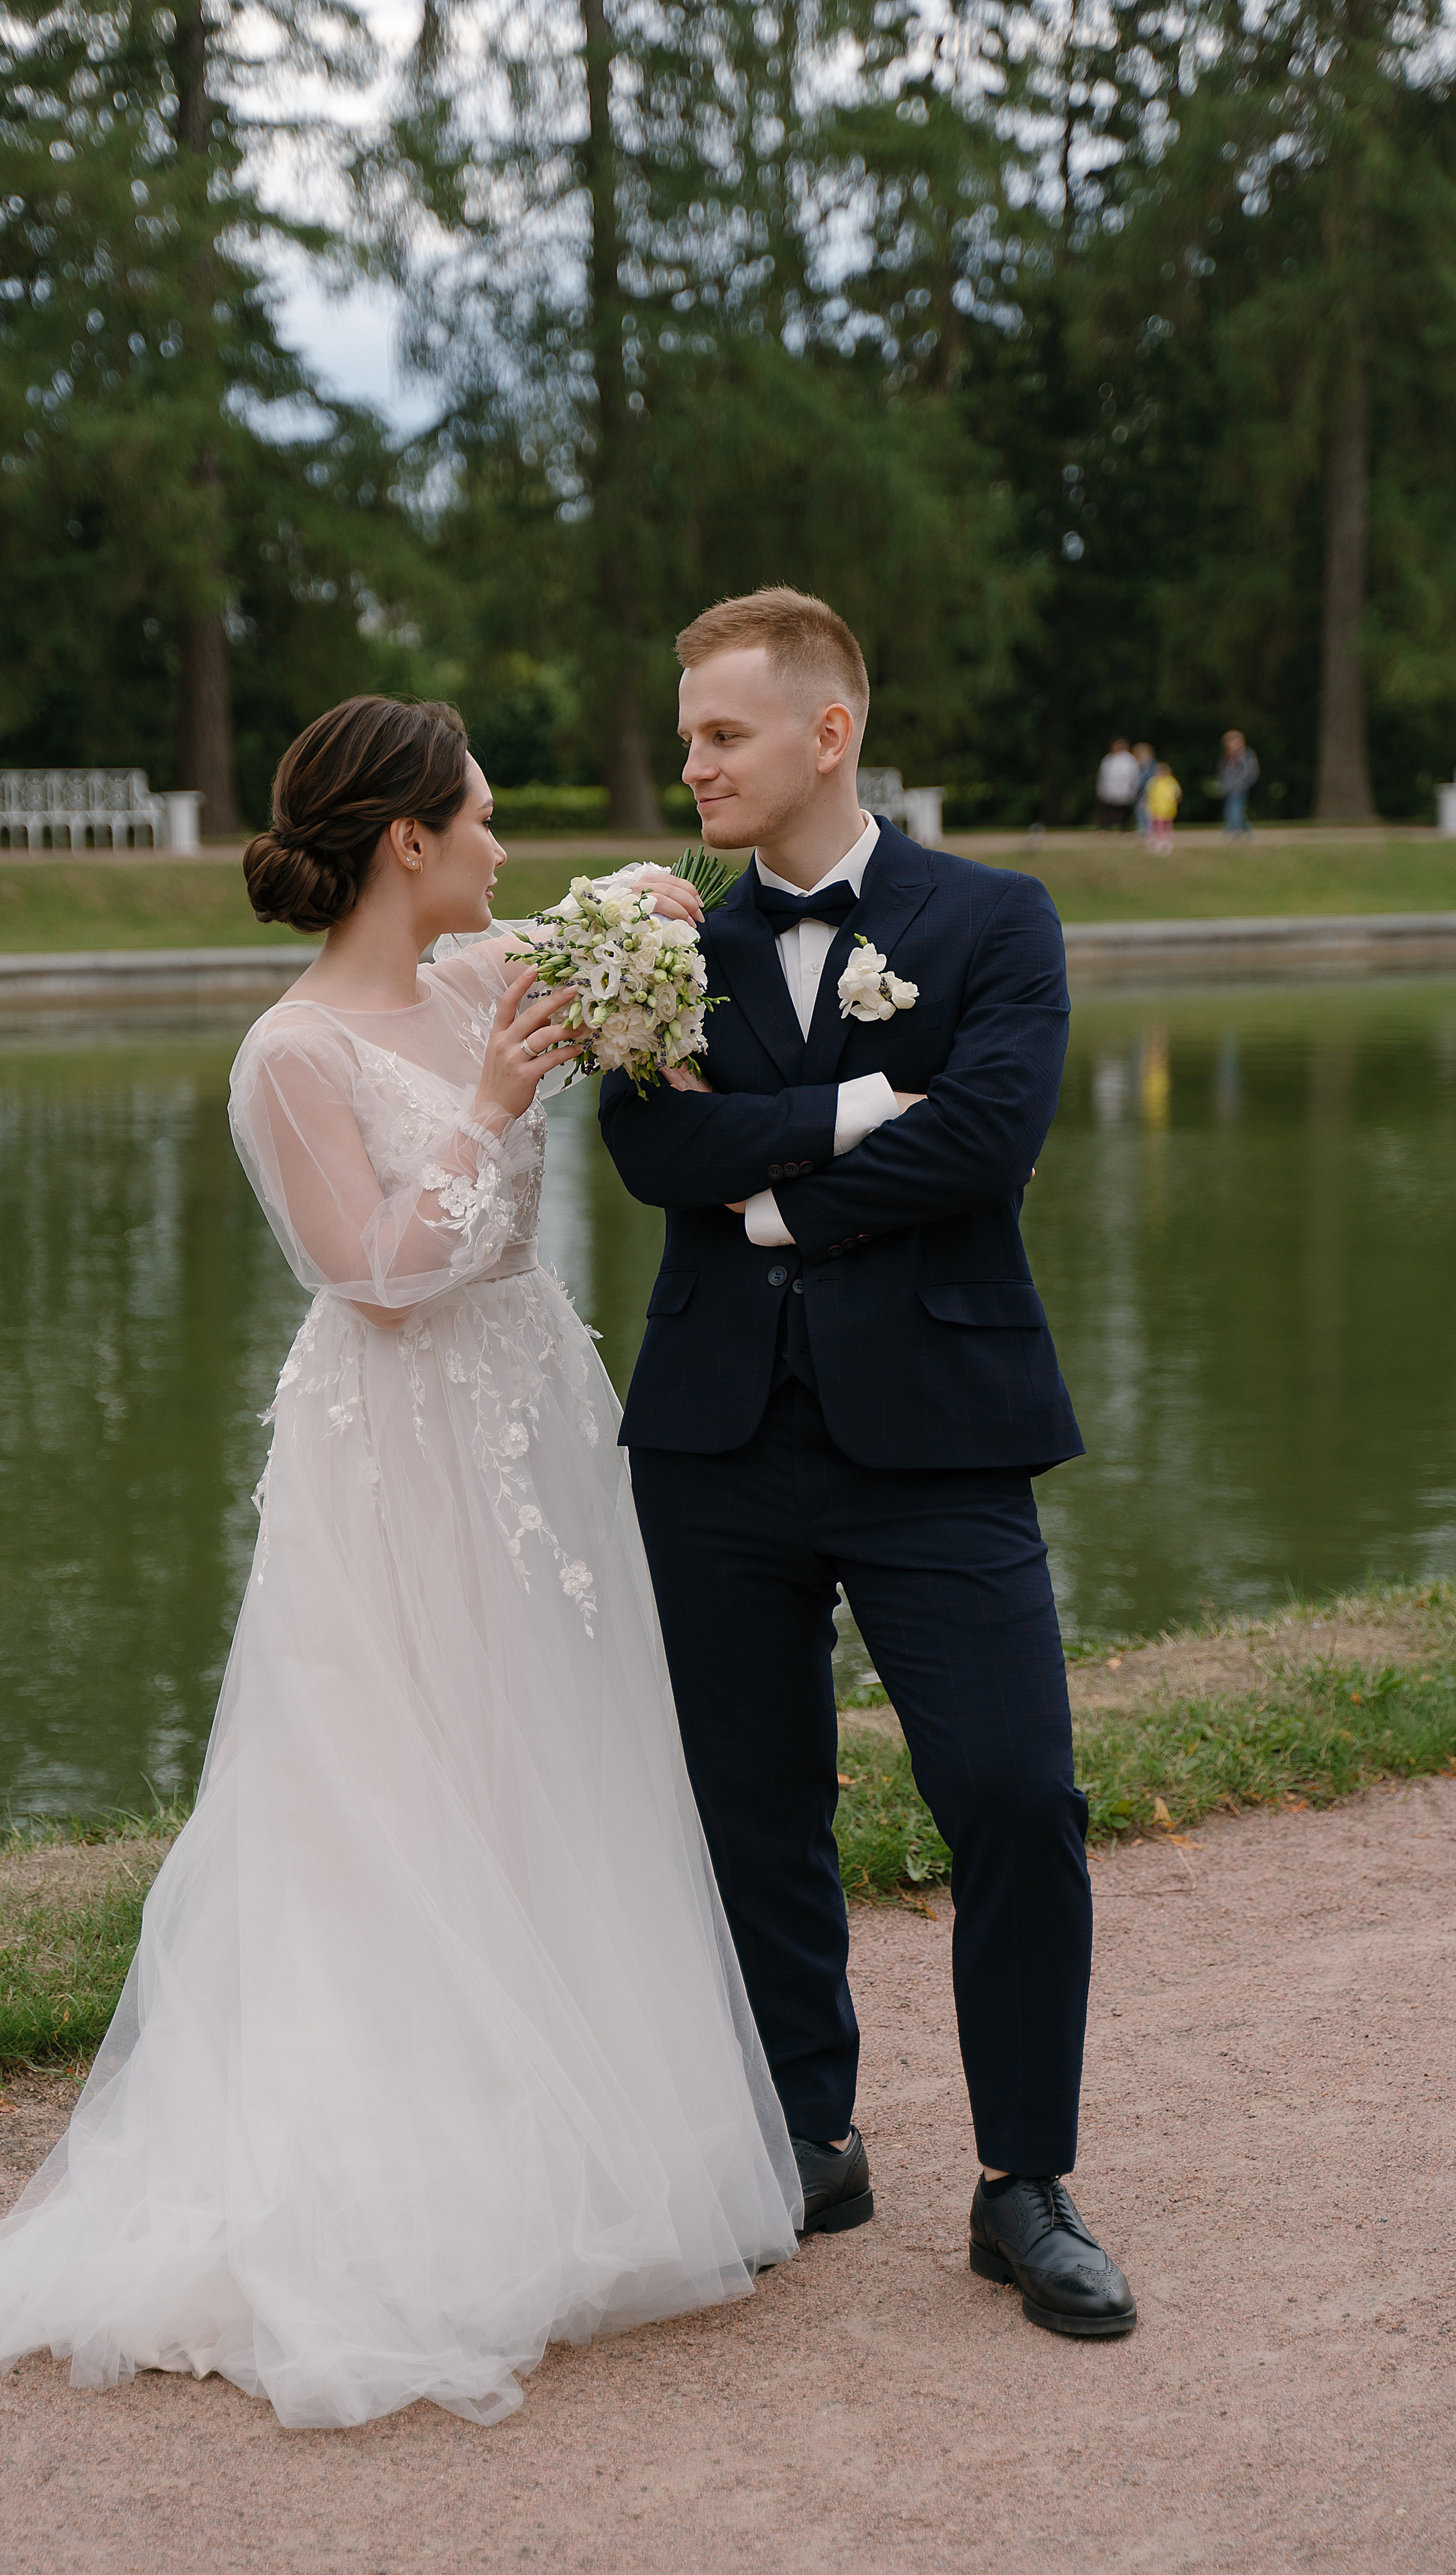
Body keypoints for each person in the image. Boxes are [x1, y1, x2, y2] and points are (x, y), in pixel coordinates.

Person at [0, 696, 801, 2430]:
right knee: (396, 1781)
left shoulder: (481, 974)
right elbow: (377, 1271)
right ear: (407, 842)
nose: (497, 846)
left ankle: (585, 2137)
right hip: (395, 1460)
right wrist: (481, 1109)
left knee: (552, 1760)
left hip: (531, 1424)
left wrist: (649, 895)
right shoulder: (295, 1054)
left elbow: (610, 918)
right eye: (478, 818)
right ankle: (395, 2186)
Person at [600, 587, 1137, 2338]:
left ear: (827, 734)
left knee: (1013, 1798)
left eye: (721, 733)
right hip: (715, 1445)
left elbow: (986, 1142)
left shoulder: (995, 918)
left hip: (943, 1442)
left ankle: (1027, 2186)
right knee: (753, 1807)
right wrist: (834, 1129)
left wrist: (752, 1185)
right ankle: (807, 2140)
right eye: (688, 735)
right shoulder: (658, 941)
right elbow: (642, 1150)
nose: (692, 763)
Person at [1218, 730, 1259, 838]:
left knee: (1235, 806)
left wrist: (1244, 783)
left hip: (1240, 787)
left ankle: (1236, 830)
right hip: (1229, 787)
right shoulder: (1227, 756)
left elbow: (1250, 771)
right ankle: (1246, 828)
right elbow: (1224, 771)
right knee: (1233, 807)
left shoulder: (1246, 755)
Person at [1093, 738, 1139, 830]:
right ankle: (1105, 828)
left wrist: (1132, 788)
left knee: (1124, 811)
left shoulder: (1130, 760)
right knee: (1107, 810)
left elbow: (1134, 775)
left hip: (1124, 789)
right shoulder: (1108, 759)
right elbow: (1103, 775)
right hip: (1109, 789)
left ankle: (1125, 828)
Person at [1145, 762, 1181, 850]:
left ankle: (1168, 839)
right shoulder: (1153, 782)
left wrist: (1174, 802)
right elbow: (1148, 794)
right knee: (1156, 824)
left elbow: (1177, 794)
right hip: (1156, 807)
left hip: (1168, 807)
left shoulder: (1171, 782)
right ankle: (1158, 839)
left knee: (1168, 824)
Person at [1130, 742, 1159, 836]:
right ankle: (1142, 827)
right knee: (1140, 811)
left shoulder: (1153, 765)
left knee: (1150, 811)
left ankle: (1151, 828)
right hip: (1140, 792)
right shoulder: (1136, 765)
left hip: (1152, 792)